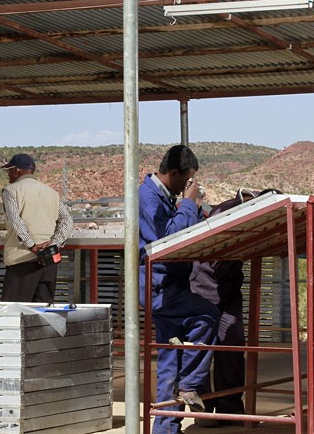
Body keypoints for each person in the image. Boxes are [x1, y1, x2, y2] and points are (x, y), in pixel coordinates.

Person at [138, 145, 220, 434]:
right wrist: (188, 202)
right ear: (173, 173)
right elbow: (169, 238)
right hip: (160, 287)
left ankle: (165, 428)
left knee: (170, 357)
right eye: (185, 181)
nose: (186, 187)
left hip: (169, 285)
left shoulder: (163, 195)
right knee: (208, 316)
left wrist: (193, 207)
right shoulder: (147, 197)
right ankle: (189, 385)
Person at [190, 188, 281, 427]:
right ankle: (205, 409)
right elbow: (211, 251)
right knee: (201, 349)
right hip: (203, 288)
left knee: (232, 346)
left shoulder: (253, 216)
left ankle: (230, 406)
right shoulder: (225, 211)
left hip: (228, 291)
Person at [0, 153, 73, 303]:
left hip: (21, 261)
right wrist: (54, 244)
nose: (8, 174)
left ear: (17, 170)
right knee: (43, 313)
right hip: (48, 262)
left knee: (15, 311)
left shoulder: (11, 191)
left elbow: (16, 222)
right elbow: (67, 220)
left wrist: (32, 245)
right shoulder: (51, 193)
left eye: (9, 170)